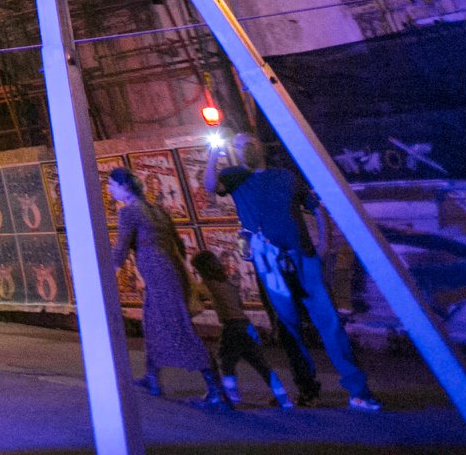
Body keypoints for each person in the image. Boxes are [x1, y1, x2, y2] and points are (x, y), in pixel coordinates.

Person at [205, 134, 381, 411]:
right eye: (238, 146)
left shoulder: (285, 177)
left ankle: (358, 391)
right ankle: (308, 391)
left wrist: (325, 242)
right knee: (289, 329)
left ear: (260, 146)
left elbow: (315, 208)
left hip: (303, 257)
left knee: (330, 323)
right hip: (270, 263)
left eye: (249, 142)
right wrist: (213, 152)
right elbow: (210, 185)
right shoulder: (235, 177)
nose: (244, 148)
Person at [107, 165, 228, 409]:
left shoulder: (129, 213)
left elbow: (120, 249)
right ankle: (152, 377)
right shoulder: (157, 210)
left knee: (179, 328)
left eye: (112, 185)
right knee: (151, 322)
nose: (109, 190)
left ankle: (217, 392)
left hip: (159, 277)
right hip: (170, 273)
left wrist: (105, 272)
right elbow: (179, 246)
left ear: (124, 187)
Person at [192, 248, 292, 409]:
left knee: (226, 362)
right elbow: (239, 304)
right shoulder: (228, 282)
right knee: (260, 364)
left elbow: (195, 295)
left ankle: (231, 397)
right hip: (246, 325)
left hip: (231, 326)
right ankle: (284, 399)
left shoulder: (208, 284)